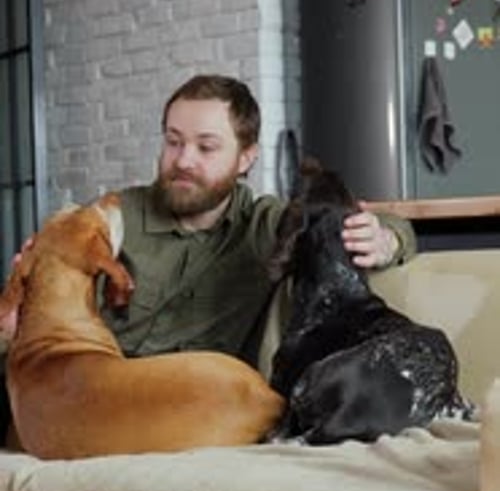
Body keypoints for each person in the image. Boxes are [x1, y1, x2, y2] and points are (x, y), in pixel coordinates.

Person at [0, 73, 416, 443]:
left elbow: (384, 226)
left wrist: (386, 239)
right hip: (87, 414)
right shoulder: (113, 218)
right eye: (173, 141)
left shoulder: (265, 225)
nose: (182, 160)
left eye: (206, 147)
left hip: (194, 417)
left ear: (246, 157)